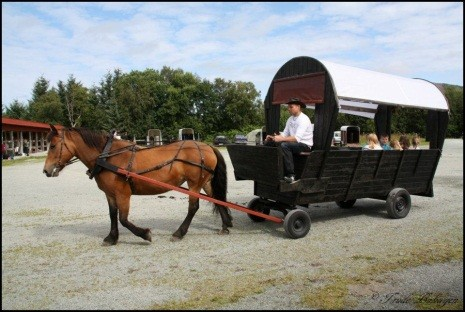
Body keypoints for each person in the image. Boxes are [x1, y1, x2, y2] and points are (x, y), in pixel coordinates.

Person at [265, 98, 313, 183]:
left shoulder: (304, 119)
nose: (289, 109)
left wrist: (281, 139)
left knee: (284, 145)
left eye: (291, 107)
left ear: (298, 107)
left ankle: (291, 176)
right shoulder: (290, 119)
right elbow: (284, 134)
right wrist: (274, 137)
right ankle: (273, 172)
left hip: (305, 145)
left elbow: (296, 138)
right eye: (288, 107)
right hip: (294, 144)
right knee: (270, 143)